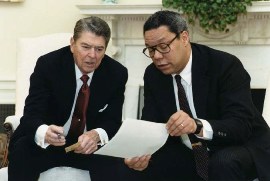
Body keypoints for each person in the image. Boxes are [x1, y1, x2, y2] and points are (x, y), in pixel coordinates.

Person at [124, 10, 270, 181]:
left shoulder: (224, 66)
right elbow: (152, 124)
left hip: (240, 145)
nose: (156, 56)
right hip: (190, 150)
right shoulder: (153, 74)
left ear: (184, 37)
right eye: (150, 49)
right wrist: (140, 153)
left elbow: (241, 125)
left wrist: (197, 125)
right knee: (138, 166)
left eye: (163, 47)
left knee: (223, 162)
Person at [8, 16, 128, 181]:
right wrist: (44, 131)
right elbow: (32, 114)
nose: (92, 55)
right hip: (49, 143)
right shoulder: (48, 65)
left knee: (116, 159)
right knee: (22, 150)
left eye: (99, 49)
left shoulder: (116, 73)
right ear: (72, 44)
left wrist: (96, 135)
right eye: (85, 47)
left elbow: (113, 120)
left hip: (87, 147)